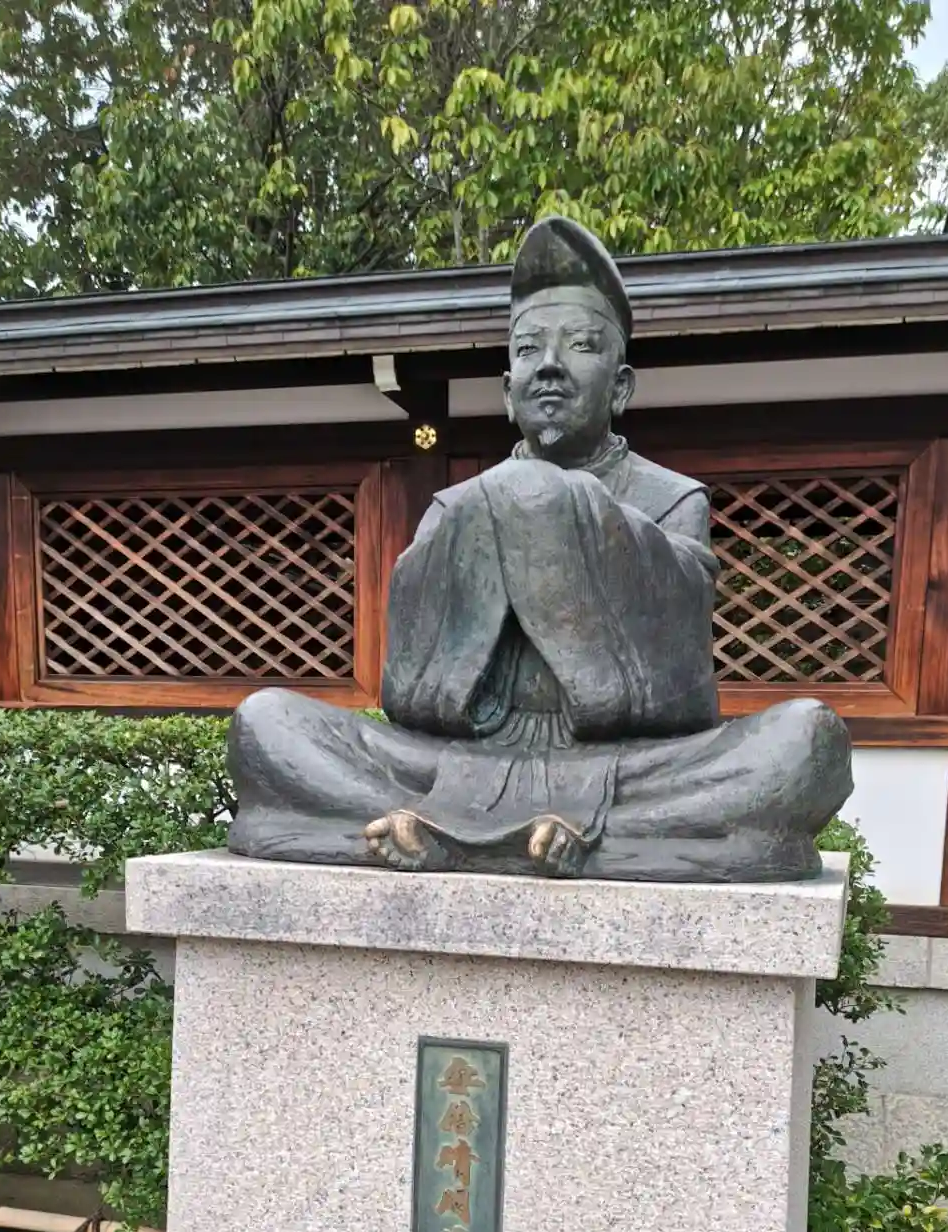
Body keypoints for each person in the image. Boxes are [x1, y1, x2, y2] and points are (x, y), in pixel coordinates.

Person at [227, 216, 852, 882]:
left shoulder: (670, 499)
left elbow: (676, 691)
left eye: (579, 345)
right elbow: (411, 694)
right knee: (266, 724)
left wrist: (557, 509)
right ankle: (589, 845)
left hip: (622, 769)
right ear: (507, 392)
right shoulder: (458, 506)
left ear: (620, 386)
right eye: (528, 349)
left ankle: (465, 838)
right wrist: (505, 508)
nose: (549, 365)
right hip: (454, 766)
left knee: (807, 742)